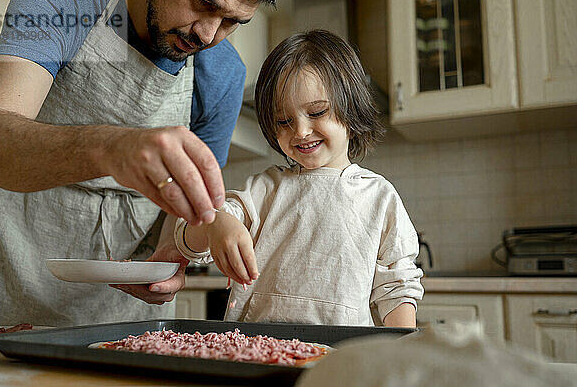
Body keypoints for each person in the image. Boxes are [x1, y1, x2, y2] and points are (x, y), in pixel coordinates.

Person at [0, 0, 276, 327]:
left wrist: (172, 249)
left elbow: (187, 203)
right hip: (12, 293)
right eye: (203, 1)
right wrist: (111, 148)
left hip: (133, 317)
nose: (208, 35)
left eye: (232, 22)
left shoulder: (223, 72)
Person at [174, 30, 424, 327]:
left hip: (339, 361)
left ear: (352, 107)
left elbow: (397, 288)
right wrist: (216, 223)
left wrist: (400, 351)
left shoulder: (379, 197)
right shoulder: (263, 190)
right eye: (284, 120)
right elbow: (187, 239)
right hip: (255, 355)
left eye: (317, 112)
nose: (301, 131)